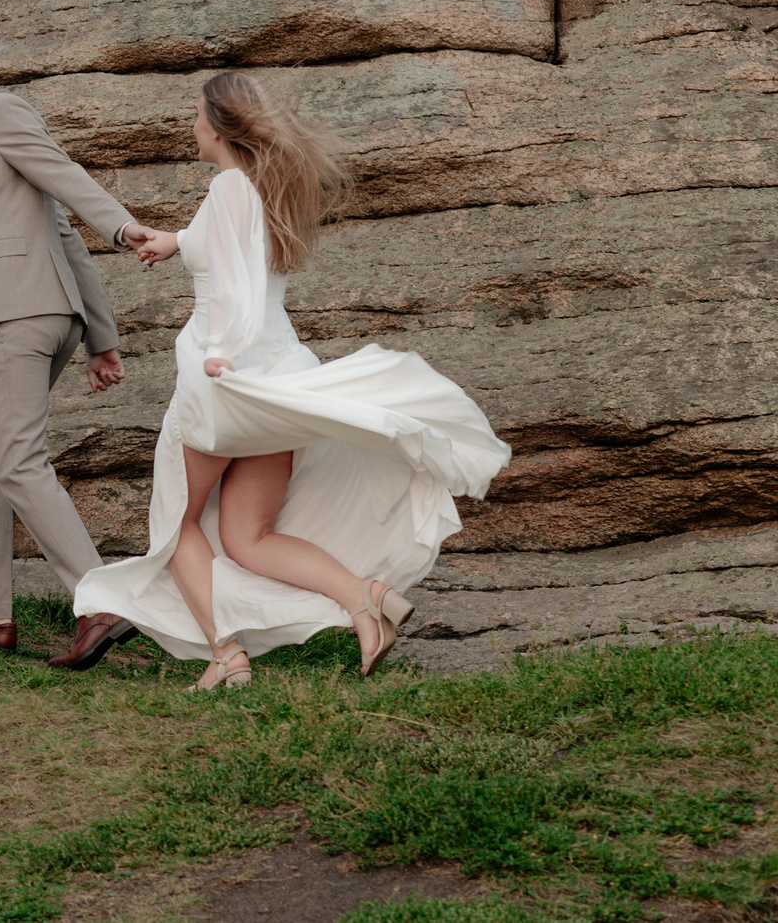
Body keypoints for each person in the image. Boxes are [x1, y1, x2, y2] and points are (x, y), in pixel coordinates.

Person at [74, 71, 511, 689]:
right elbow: (233, 255)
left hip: (221, 383)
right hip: (276, 381)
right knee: (249, 537)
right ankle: (368, 600)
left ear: (219, 125)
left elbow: (238, 289)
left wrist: (220, 353)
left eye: (197, 114)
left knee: (178, 525)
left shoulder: (227, 186)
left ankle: (226, 657)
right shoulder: (256, 188)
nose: (191, 124)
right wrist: (175, 241)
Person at [0, 13, 168, 670]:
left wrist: (121, 227)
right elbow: (57, 232)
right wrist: (100, 336)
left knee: (19, 463)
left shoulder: (1, 112)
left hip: (19, 313)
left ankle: (102, 603)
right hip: (41, 312)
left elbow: (64, 174)